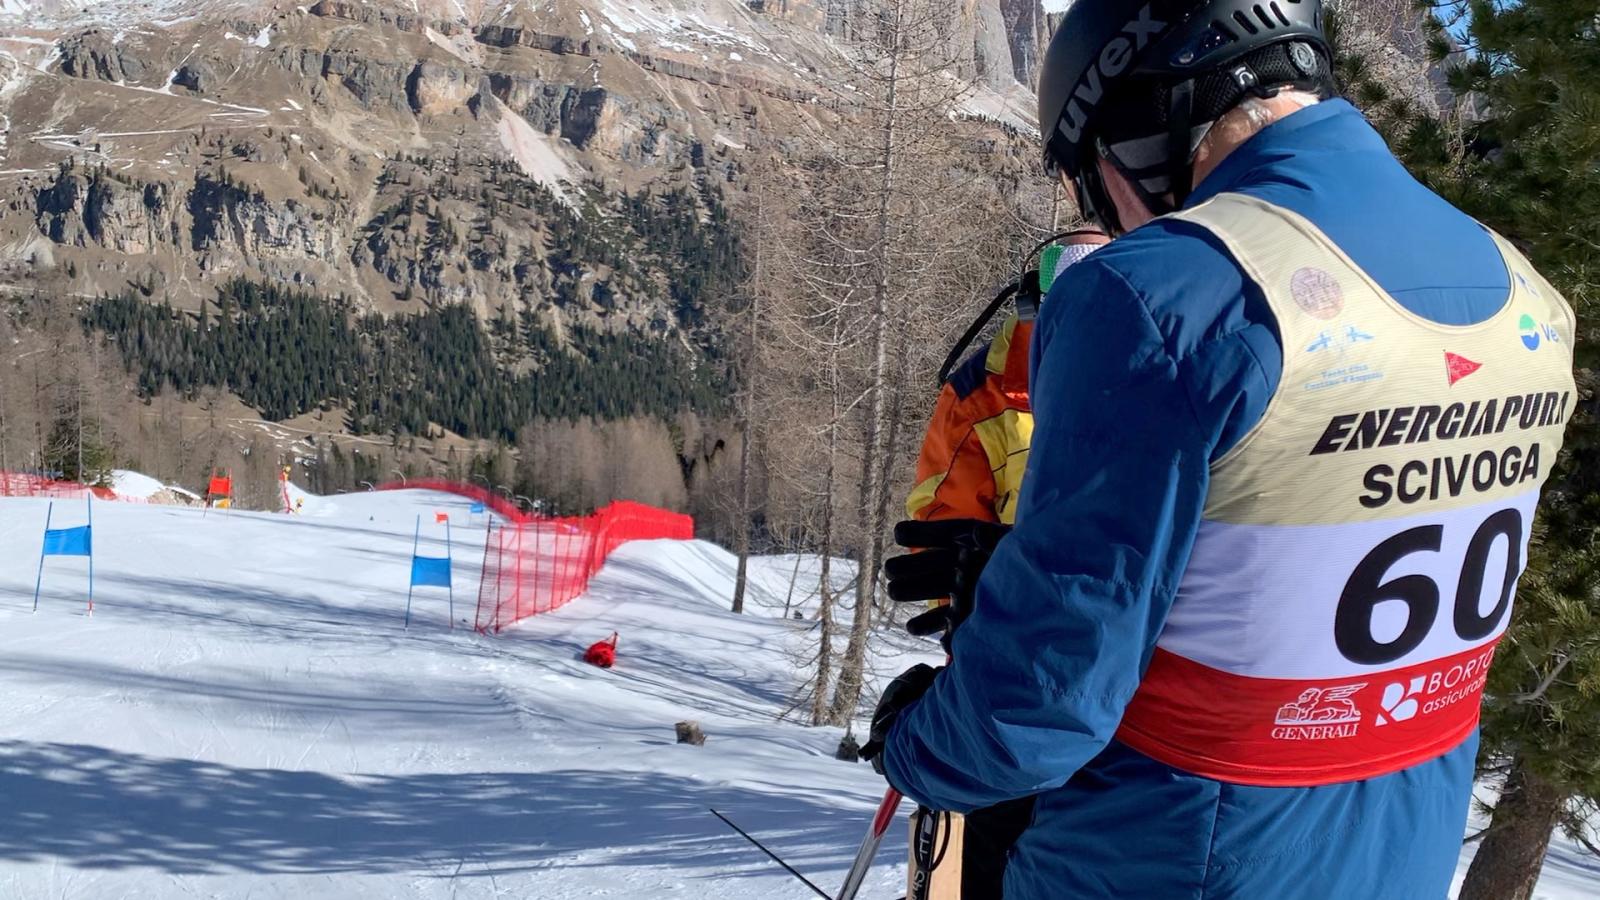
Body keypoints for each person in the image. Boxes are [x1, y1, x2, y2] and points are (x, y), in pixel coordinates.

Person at [861, 1, 1578, 897]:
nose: (1111, 218)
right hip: (1404, 849)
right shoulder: (1529, 297)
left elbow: (1037, 708)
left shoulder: (1156, 293)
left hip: (1169, 856)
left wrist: (920, 743)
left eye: (1096, 181)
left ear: (1142, 124)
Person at [898, 231, 1108, 898]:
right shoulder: (985, 399)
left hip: (1127, 679)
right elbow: (935, 541)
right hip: (1017, 675)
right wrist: (972, 615)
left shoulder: (1153, 364)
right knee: (1004, 851)